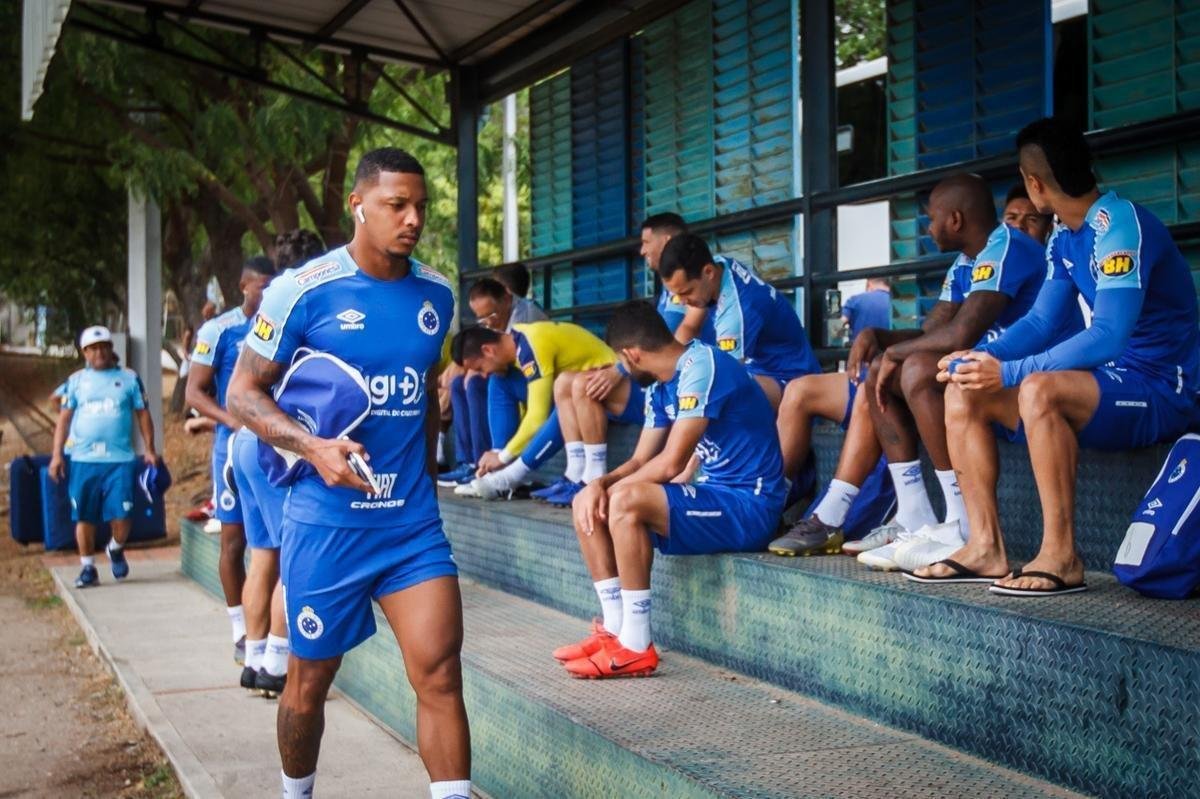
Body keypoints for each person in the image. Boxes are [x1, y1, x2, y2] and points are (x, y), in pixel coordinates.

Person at [227, 148, 470, 799]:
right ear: (358, 205)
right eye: (398, 205)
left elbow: (419, 395)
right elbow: (243, 394)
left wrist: (426, 479)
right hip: (327, 522)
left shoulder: (437, 294)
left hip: (410, 524)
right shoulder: (300, 290)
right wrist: (312, 447)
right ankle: (295, 793)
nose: (413, 218)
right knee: (309, 683)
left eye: (421, 205)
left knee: (441, 673)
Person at [912, 117, 1200, 595]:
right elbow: (1040, 324)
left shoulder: (1118, 224)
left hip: (1163, 388)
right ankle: (985, 546)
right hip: (1112, 383)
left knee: (1039, 388)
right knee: (965, 389)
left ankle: (1062, 557)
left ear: (1035, 184)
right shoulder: (1064, 238)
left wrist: (1010, 370)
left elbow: (1108, 335)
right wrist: (977, 357)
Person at [770, 174, 1081, 561]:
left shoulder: (1008, 247)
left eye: (931, 219)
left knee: (914, 369)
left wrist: (896, 354)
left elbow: (959, 336)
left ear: (954, 220)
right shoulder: (966, 260)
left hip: (1036, 380)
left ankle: (960, 520)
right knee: (887, 368)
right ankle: (915, 513)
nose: (927, 228)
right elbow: (935, 330)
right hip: (989, 377)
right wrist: (881, 338)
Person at [556, 301, 786, 678]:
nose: (622, 369)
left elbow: (670, 464)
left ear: (632, 355)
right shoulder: (659, 387)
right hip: (714, 496)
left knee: (624, 500)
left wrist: (611, 491)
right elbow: (639, 460)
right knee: (589, 502)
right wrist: (597, 484)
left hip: (748, 504)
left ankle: (636, 645)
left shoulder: (702, 367)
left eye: (620, 361)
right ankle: (616, 630)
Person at [531, 214, 715, 506]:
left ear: (666, 242)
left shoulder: (693, 285)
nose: (641, 251)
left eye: (645, 242)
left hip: (683, 384)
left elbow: (664, 341)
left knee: (583, 385)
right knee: (568, 381)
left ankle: (591, 476)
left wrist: (620, 368)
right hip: (661, 382)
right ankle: (576, 474)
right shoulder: (672, 287)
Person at [233, 229, 327, 698]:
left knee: (263, 556)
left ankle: (253, 659)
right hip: (278, 442)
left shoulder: (273, 300)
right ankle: (274, 662)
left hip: (245, 440)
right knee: (294, 558)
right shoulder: (309, 297)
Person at [187, 256, 276, 663]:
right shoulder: (219, 329)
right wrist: (232, 422)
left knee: (270, 545)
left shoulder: (282, 324)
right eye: (262, 285)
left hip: (275, 447)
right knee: (234, 539)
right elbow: (194, 393)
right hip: (233, 448)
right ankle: (240, 627)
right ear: (244, 286)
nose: (268, 292)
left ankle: (268, 636)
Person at [450, 320, 627, 500]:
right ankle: (499, 470)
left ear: (488, 350)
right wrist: (499, 454)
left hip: (608, 390)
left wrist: (504, 456)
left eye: (480, 368)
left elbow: (537, 418)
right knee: (499, 381)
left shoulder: (532, 344)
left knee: (560, 405)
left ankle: (511, 475)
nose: (483, 375)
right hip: (572, 391)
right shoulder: (516, 337)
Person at [659, 234, 820, 412]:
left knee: (711, 395)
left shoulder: (737, 312)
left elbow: (722, 377)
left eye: (686, 292)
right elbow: (689, 326)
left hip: (789, 378)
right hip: (758, 368)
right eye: (676, 295)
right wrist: (667, 368)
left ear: (708, 273)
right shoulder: (719, 265)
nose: (681, 302)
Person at [49, 326, 157, 588]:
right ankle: (88, 568)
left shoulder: (129, 378)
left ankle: (116, 547)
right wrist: (56, 455)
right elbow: (63, 420)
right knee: (84, 516)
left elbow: (143, 414)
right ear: (85, 352)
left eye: (103, 347)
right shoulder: (76, 381)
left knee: (123, 514)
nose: (99, 352)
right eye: (93, 348)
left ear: (111, 349)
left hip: (119, 459)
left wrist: (150, 450)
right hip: (83, 460)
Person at [438, 276, 549, 487]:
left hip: (539, 381)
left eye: (491, 314)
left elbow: (508, 360)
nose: (488, 322)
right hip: (519, 377)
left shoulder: (525, 316)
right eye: (481, 319)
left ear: (507, 298)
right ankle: (469, 463)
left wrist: (478, 371)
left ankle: (488, 461)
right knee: (457, 384)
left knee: (482, 382)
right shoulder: (498, 318)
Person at [842, 277, 892, 341]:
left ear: (868, 284)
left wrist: (850, 333)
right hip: (890, 349)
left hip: (861, 348)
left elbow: (836, 327)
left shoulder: (855, 300)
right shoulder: (896, 301)